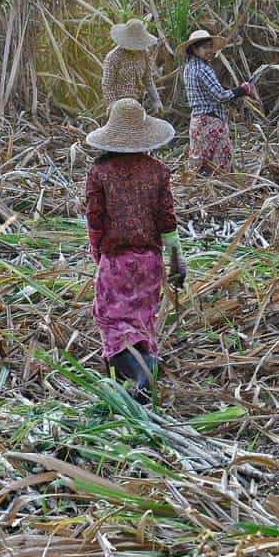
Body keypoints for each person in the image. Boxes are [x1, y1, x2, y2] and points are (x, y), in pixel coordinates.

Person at [85, 98, 186, 403]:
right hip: (149, 263)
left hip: (115, 260)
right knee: (142, 321)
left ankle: (140, 378)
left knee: (113, 321)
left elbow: (95, 218)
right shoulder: (157, 171)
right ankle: (143, 372)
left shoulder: (100, 172)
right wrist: (176, 259)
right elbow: (167, 219)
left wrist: (97, 255)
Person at [178, 29, 255, 175]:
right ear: (195, 49)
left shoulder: (188, 68)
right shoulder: (203, 68)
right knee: (220, 166)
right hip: (211, 122)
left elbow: (206, 92)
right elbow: (220, 96)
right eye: (205, 47)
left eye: (210, 47)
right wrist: (242, 90)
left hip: (197, 123)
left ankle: (202, 194)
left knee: (199, 165)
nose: (209, 51)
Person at [102, 19, 163, 114]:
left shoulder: (144, 54)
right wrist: (112, 104)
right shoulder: (113, 57)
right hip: (120, 104)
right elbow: (107, 85)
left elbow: (148, 80)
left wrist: (156, 100)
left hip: (138, 102)